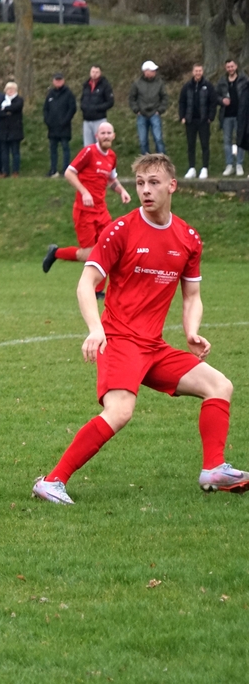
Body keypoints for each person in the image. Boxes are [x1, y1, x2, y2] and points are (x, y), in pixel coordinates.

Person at [33, 153, 247, 505]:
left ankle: (213, 469)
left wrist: (191, 331)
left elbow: (192, 295)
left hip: (153, 346)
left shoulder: (188, 238)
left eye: (154, 183)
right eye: (140, 183)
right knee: (120, 411)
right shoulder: (121, 229)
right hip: (119, 340)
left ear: (172, 186)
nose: (145, 190)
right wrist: (95, 329)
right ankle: (52, 481)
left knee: (219, 386)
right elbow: (86, 283)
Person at [43, 122, 131, 299]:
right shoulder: (89, 152)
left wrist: (122, 191)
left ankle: (98, 291)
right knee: (89, 254)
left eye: (109, 133)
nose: (106, 136)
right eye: (102, 133)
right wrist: (84, 192)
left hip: (101, 211)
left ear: (113, 136)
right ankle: (56, 253)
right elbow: (69, 172)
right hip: (84, 211)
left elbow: (111, 178)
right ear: (97, 136)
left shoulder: (112, 156)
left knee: (108, 247)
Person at [179, 64, 217, 180]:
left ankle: (205, 168)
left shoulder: (208, 85)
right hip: (190, 120)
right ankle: (192, 168)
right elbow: (182, 102)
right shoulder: (187, 86)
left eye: (200, 71)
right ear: (192, 72)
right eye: (196, 71)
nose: (198, 73)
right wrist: (182, 116)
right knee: (191, 145)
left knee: (205, 144)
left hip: (203, 120)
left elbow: (213, 102)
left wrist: (210, 117)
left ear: (202, 72)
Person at [129, 61, 168, 155]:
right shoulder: (137, 83)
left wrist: (160, 110)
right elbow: (132, 98)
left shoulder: (159, 83)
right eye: (152, 70)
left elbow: (164, 97)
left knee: (158, 139)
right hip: (141, 115)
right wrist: (136, 110)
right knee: (143, 141)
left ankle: (162, 159)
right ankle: (145, 160)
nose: (155, 72)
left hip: (155, 114)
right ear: (146, 71)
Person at [217, 59, 248, 176]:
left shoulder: (244, 80)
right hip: (226, 116)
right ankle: (229, 164)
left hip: (241, 116)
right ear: (226, 68)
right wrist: (222, 100)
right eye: (228, 67)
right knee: (227, 141)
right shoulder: (222, 81)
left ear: (236, 66)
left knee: (240, 140)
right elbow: (215, 95)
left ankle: (239, 164)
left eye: (232, 66)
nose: (230, 69)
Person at [43, 72, 77, 178]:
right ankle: (53, 169)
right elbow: (45, 109)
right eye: (56, 80)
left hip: (64, 126)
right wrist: (47, 121)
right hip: (52, 127)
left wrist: (65, 121)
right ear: (53, 81)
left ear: (63, 81)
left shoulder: (68, 93)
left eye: (60, 80)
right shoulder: (50, 94)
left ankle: (66, 170)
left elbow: (72, 109)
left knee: (65, 147)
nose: (58, 82)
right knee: (53, 149)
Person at [80, 65, 114, 147]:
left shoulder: (105, 85)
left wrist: (97, 108)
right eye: (93, 72)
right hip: (87, 120)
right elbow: (82, 99)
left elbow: (110, 102)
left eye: (97, 72)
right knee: (88, 146)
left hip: (99, 120)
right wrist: (83, 107)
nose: (94, 74)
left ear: (100, 73)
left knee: (100, 144)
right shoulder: (86, 85)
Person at [0, 81, 24, 178]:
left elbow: (15, 108)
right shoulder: (1, 100)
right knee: (4, 152)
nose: (10, 90)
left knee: (15, 152)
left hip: (15, 130)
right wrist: (7, 112)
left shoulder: (19, 100)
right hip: (3, 130)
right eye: (8, 89)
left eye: (12, 89)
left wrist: (4, 109)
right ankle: (5, 171)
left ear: (16, 90)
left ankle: (15, 171)